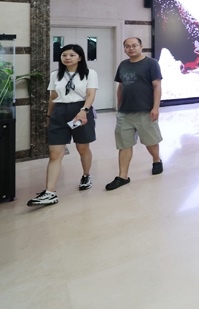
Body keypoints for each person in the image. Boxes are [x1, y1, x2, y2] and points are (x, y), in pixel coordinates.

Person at [27, 44, 98, 206]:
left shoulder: (90, 73)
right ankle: (50, 192)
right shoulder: (55, 74)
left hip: (80, 110)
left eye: (72, 55)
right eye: (64, 55)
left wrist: (84, 110)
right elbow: (53, 97)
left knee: (82, 148)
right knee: (55, 154)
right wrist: (49, 115)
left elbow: (90, 95)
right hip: (59, 112)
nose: (67, 58)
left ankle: (86, 175)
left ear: (80, 57)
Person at [106, 37, 164, 191]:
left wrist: (155, 108)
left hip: (145, 110)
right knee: (124, 145)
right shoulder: (123, 65)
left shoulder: (151, 63)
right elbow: (121, 87)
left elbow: (157, 86)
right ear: (124, 49)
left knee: (151, 142)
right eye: (127, 46)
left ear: (141, 46)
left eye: (134, 45)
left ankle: (156, 160)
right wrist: (119, 106)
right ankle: (122, 176)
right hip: (125, 112)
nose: (131, 48)